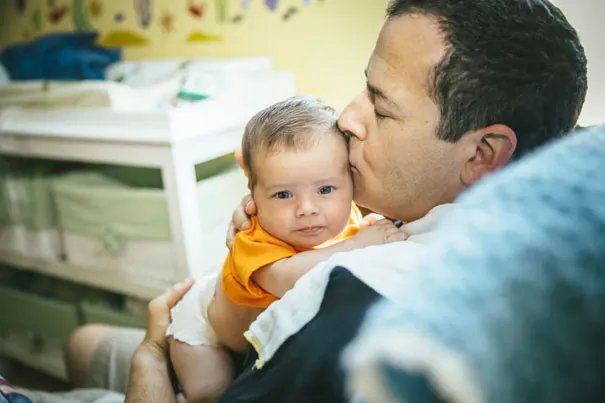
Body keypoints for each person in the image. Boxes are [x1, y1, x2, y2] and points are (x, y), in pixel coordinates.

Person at [63, 0, 587, 402]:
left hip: (214, 357)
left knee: (80, 344)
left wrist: (150, 362)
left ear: (484, 153)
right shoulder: (552, 172)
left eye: (381, 110)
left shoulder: (340, 310)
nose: (347, 118)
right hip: (227, 329)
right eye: (364, 89)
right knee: (83, 340)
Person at [166, 96, 406, 402]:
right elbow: (287, 277)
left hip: (249, 334)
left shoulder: (348, 216)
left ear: (351, 180)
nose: (306, 209)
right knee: (209, 390)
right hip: (204, 324)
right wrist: (357, 245)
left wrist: (368, 231)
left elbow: (355, 236)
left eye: (325, 190)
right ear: (252, 196)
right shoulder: (252, 240)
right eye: (282, 194)